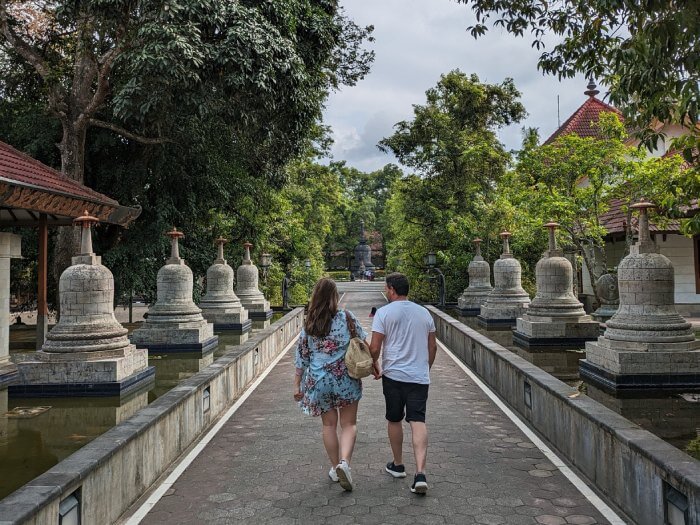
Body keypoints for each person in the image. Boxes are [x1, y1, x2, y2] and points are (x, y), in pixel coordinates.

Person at [294, 278, 368, 491]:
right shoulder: (346, 317)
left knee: (328, 426)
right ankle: (345, 463)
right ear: (335, 297)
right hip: (345, 379)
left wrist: (296, 384)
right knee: (349, 424)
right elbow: (363, 342)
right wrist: (375, 365)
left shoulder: (310, 323)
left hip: (319, 381)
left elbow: (302, 357)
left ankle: (335, 468)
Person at [369, 272, 437, 495]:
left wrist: (374, 366)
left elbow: (375, 347)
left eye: (386, 288)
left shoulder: (384, 313)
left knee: (394, 419)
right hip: (418, 377)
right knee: (418, 420)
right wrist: (424, 369)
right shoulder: (424, 313)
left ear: (391, 289)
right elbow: (432, 347)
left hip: (394, 376)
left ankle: (398, 465)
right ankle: (420, 473)